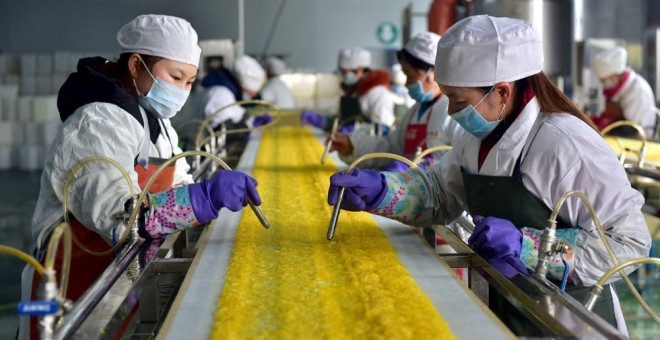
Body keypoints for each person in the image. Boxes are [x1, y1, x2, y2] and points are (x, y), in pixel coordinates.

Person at [327, 15, 651, 336]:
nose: (451, 112)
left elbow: (630, 242)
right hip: (506, 308)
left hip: (569, 321)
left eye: (457, 99)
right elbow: (441, 194)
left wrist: (528, 246)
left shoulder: (563, 144)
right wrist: (384, 191)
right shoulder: (477, 137)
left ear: (502, 92)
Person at [20, 15, 263, 339]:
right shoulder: (98, 122)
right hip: (73, 285)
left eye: (190, 81)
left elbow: (178, 178)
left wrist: (200, 194)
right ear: (136, 65)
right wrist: (201, 199)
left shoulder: (153, 120)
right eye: (175, 77)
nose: (182, 90)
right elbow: (125, 220)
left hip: (116, 276)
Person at [328, 32, 462, 173]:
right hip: (411, 190)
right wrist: (353, 145)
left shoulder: (454, 113)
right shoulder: (415, 111)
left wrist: (420, 169)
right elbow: (391, 147)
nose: (407, 83)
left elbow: (459, 167)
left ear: (433, 72)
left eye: (410, 76)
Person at [301, 47, 395, 135]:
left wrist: (356, 129)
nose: (342, 76)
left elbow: (384, 128)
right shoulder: (354, 91)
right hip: (351, 147)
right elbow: (344, 121)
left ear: (359, 70)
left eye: (344, 72)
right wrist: (324, 121)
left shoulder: (378, 92)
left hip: (371, 150)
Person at [591, 46, 657, 137]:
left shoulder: (638, 91)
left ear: (615, 75)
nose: (603, 84)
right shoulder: (618, 90)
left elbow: (629, 130)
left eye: (604, 80)